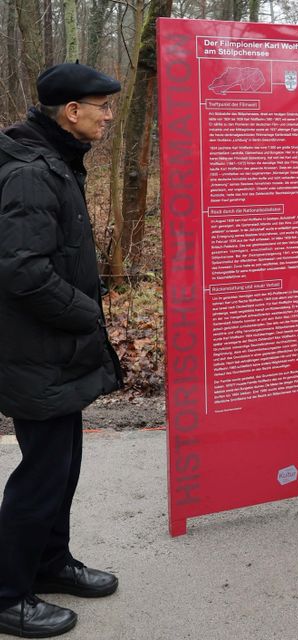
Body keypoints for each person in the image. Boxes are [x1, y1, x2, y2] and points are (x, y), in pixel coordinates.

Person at [0, 62, 123, 637]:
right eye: (101, 105)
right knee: (42, 476)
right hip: (37, 355)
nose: (108, 115)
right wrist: (84, 312)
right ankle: (7, 594)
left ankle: (50, 563)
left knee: (62, 468)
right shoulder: (30, 173)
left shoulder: (57, 162)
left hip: (56, 352)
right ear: (70, 111)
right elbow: (22, 271)